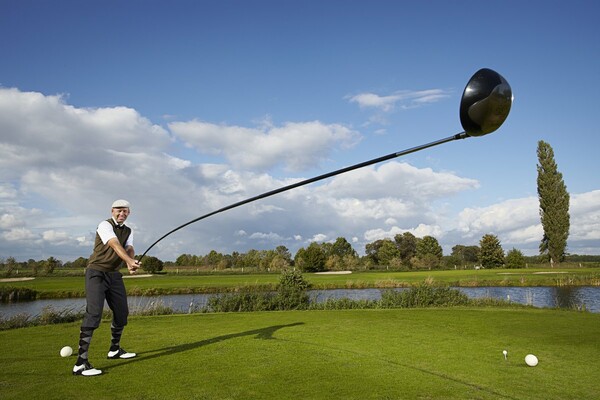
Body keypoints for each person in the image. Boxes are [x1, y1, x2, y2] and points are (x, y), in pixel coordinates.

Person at [72, 199, 141, 376]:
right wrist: (128, 260)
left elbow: (129, 248)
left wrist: (130, 262)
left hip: (114, 275)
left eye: (125, 211)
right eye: (118, 210)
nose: (121, 214)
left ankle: (114, 350)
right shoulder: (104, 225)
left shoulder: (128, 230)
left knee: (121, 312)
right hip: (96, 273)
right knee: (94, 313)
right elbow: (114, 244)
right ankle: (81, 363)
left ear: (128, 213)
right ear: (112, 211)